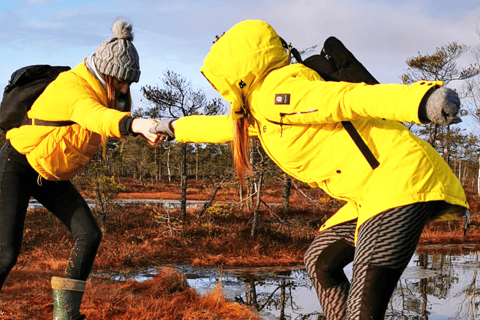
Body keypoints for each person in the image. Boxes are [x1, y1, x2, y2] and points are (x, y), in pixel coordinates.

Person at [150, 20, 469, 320]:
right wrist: (171, 127)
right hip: (373, 191)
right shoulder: (262, 110)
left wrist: (422, 98)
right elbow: (223, 128)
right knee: (320, 260)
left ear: (238, 73)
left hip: (401, 180)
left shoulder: (279, 96)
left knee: (362, 311)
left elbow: (349, 98)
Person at [0, 19, 159, 319]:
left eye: (130, 82)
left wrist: (150, 128)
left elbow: (105, 116)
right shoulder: (75, 88)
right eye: (122, 81)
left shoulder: (103, 93)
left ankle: (66, 315)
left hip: (49, 173)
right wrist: (135, 124)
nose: (125, 88)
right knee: (5, 253)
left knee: (89, 234)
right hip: (17, 163)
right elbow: (96, 117)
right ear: (107, 74)